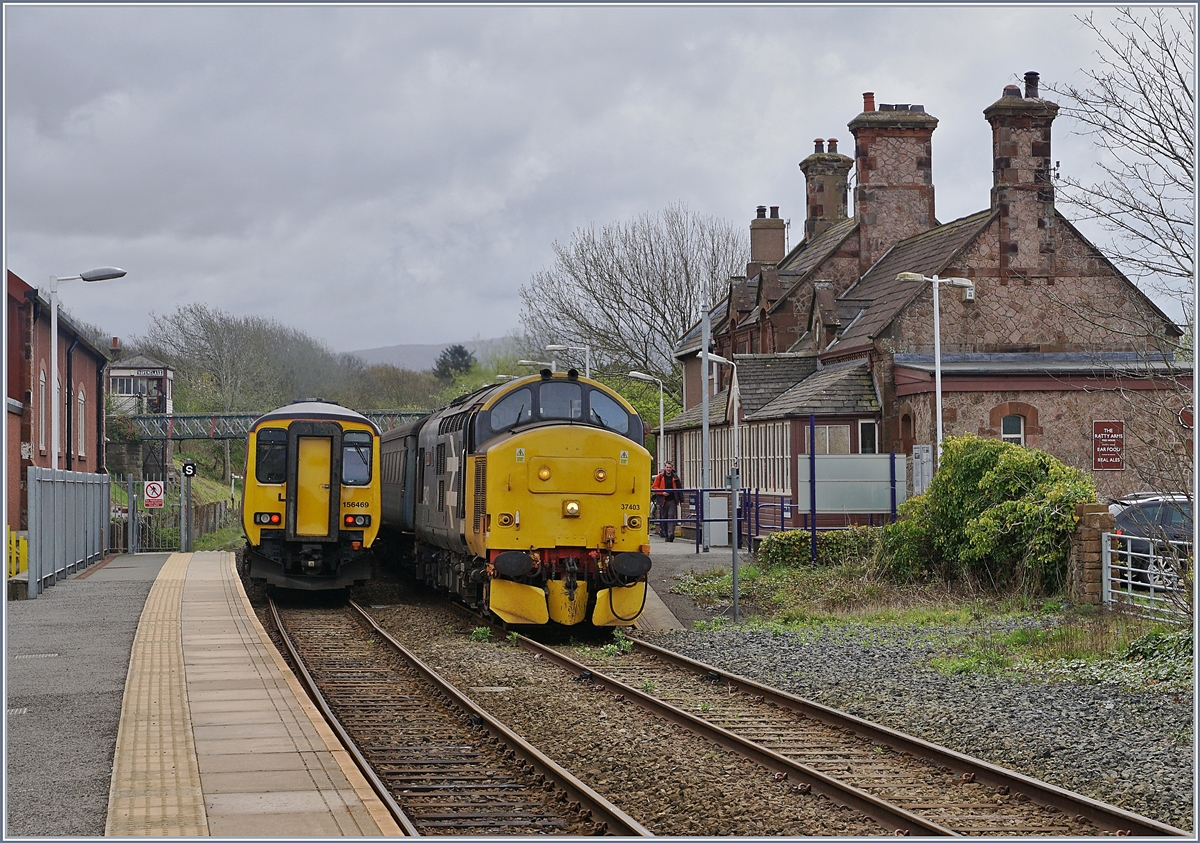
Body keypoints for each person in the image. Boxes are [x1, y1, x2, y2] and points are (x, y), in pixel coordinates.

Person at [651, 461, 684, 541]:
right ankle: (666, 534)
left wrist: (681, 500)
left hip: (672, 499)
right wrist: (662, 492)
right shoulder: (660, 477)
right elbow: (654, 487)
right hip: (663, 500)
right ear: (665, 468)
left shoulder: (675, 477)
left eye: (670, 467)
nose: (668, 469)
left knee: (671, 516)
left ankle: (670, 534)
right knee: (665, 517)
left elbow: (679, 489)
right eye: (667, 467)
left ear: (672, 468)